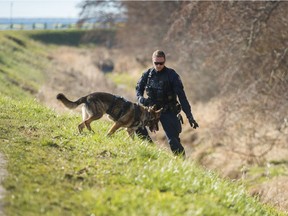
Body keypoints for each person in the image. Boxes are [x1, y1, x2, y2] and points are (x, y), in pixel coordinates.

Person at [136, 50, 199, 157]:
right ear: (152, 61)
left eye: (161, 63)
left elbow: (182, 97)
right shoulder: (147, 74)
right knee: (137, 125)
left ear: (165, 61)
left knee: (173, 141)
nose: (159, 65)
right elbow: (138, 90)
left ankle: (181, 162)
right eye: (156, 63)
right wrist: (141, 99)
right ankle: (150, 149)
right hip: (151, 109)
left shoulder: (172, 75)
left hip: (168, 110)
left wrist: (190, 116)